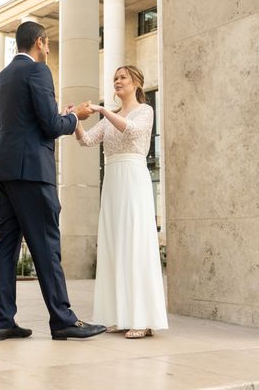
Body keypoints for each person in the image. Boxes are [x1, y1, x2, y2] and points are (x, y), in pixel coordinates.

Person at [0, 21, 107, 341]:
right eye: (48, 43)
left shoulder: (1, 78)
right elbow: (51, 125)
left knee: (7, 245)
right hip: (32, 171)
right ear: (39, 42)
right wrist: (75, 116)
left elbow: (23, 122)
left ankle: (2, 320)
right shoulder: (38, 72)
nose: (49, 49)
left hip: (4, 170)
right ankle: (63, 319)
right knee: (47, 245)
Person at [75, 65, 168, 339]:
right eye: (115, 78)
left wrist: (102, 111)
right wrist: (76, 121)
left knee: (135, 242)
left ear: (136, 82)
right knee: (114, 244)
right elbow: (87, 141)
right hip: (113, 183)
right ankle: (117, 315)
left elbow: (132, 131)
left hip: (133, 178)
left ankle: (142, 318)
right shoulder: (109, 117)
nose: (117, 81)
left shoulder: (145, 111)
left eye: (122, 77)